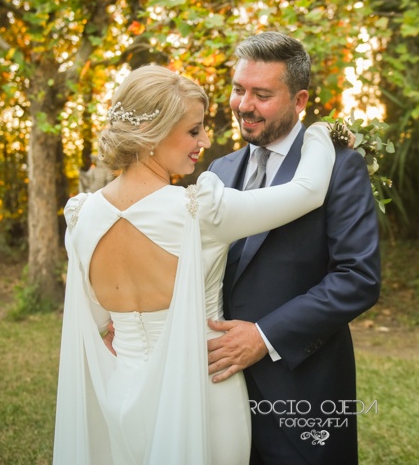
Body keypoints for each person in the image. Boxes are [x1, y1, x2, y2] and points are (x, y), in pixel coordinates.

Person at [53, 63, 338, 464]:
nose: (205, 140)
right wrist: (323, 133)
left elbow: (101, 324)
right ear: (152, 133)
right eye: (193, 130)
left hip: (122, 395)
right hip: (206, 392)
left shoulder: (80, 216)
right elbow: (307, 191)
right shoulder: (199, 209)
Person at [207, 32, 381, 464]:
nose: (244, 105)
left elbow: (357, 278)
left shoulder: (341, 167)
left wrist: (263, 337)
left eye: (261, 94)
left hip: (302, 386)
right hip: (217, 386)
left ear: (299, 100)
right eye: (238, 89)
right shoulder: (219, 168)